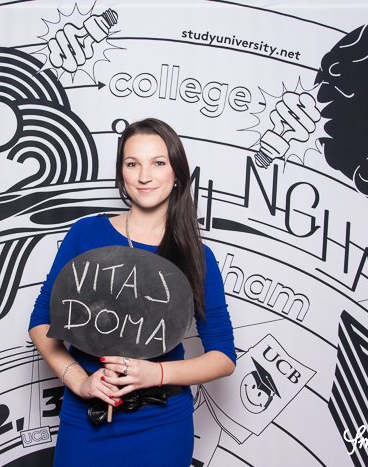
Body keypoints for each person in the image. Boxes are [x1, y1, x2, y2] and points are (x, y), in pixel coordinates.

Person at [28, 118, 236, 466]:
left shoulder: (197, 257)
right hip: (87, 420)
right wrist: (80, 382)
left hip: (162, 426)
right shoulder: (85, 234)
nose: (144, 176)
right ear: (121, 173)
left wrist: (157, 374)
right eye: (132, 164)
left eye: (158, 163)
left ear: (176, 172)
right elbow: (41, 322)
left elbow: (224, 357)